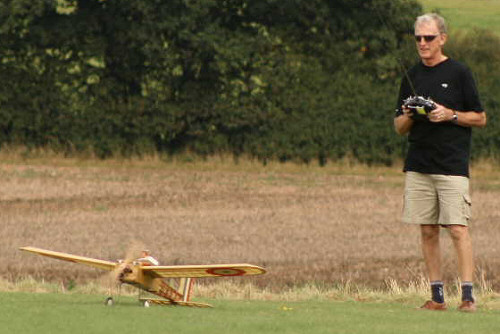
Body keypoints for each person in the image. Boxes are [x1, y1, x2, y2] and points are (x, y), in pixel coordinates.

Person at [394, 13, 486, 312]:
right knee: (427, 230)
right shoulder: (411, 75)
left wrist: (450, 115)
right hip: (419, 163)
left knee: (457, 228)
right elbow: (398, 127)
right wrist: (411, 112)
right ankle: (437, 298)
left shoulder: (459, 73)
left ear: (442, 38)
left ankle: (468, 297)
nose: (423, 43)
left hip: (451, 164)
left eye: (429, 38)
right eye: (418, 38)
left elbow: (480, 117)